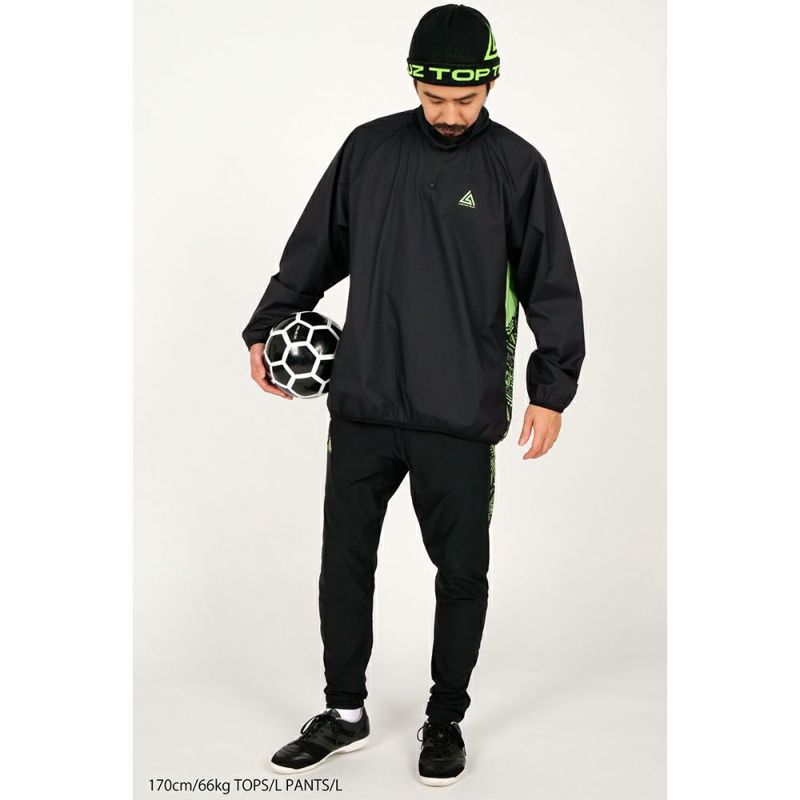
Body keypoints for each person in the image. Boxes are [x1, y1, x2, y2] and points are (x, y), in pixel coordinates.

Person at [242, 3, 585, 787]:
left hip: (458, 413)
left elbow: (551, 284)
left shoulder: (517, 167)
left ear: (490, 84)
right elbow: (314, 248)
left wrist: (552, 388)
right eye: (434, 97)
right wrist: (266, 325)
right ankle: (344, 712)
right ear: (414, 82)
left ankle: (445, 718)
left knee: (460, 572)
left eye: (466, 99)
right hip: (364, 401)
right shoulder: (368, 150)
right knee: (343, 564)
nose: (450, 113)